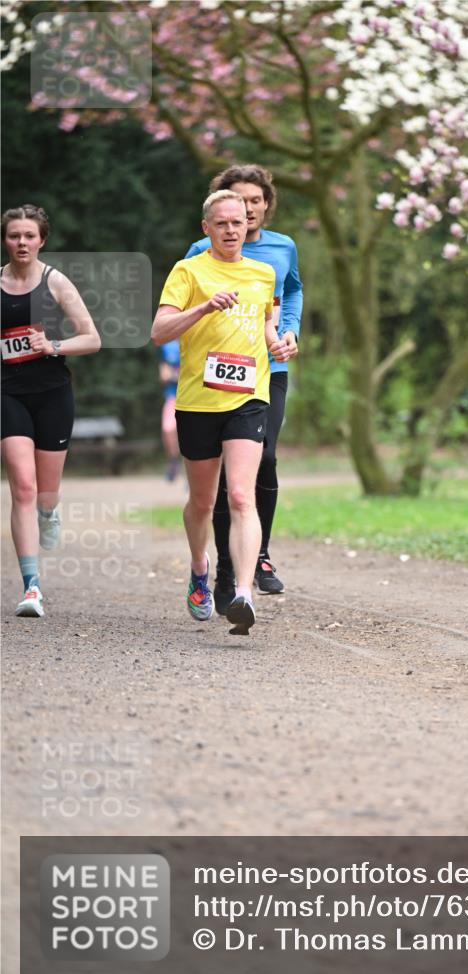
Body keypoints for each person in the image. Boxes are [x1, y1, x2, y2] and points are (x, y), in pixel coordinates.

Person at [151, 190, 294, 635]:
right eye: (223, 223)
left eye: (238, 222)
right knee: (200, 500)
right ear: (206, 228)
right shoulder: (187, 271)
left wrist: (280, 341)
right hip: (197, 401)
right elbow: (158, 332)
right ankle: (199, 568)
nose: (233, 230)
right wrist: (203, 307)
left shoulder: (264, 273)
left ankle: (243, 593)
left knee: (239, 496)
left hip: (249, 396)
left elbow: (267, 324)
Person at [185, 164, 303, 613]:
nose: (246, 210)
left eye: (255, 201)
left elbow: (291, 293)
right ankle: (226, 570)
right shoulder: (201, 250)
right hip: (216, 376)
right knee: (222, 482)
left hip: (268, 367)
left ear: (265, 205)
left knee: (264, 458)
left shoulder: (283, 247)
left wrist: (289, 331)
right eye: (238, 201)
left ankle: (259, 556)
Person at [1, 205, 101, 617]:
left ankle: (49, 510)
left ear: (42, 239)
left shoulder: (55, 282)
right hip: (8, 393)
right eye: (14, 236)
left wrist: (53, 346)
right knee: (21, 486)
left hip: (53, 392)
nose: (21, 243)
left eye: (29, 236)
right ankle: (32, 588)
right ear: (5, 240)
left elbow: (91, 338)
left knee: (44, 490)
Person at [159, 338, 181, 481]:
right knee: (168, 429)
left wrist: (174, 375)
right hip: (173, 396)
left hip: (195, 396)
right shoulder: (168, 347)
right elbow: (164, 376)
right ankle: (173, 461)